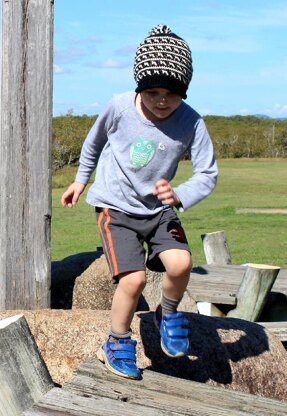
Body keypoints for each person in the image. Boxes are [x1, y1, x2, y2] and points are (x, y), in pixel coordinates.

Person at [61, 24, 218, 380]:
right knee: (132, 280)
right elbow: (93, 144)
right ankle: (115, 341)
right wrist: (80, 180)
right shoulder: (118, 107)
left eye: (172, 94)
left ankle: (168, 313)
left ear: (185, 92)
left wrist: (180, 194)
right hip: (116, 210)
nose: (162, 101)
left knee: (180, 264)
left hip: (160, 210)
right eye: (153, 92)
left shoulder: (192, 123)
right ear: (139, 86)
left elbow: (207, 173)